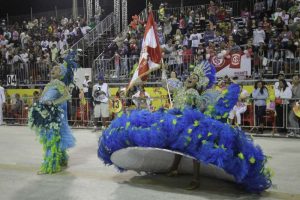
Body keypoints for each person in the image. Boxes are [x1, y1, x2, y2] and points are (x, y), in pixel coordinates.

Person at [98, 61, 272, 193]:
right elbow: (164, 84)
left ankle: (196, 177)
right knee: (176, 146)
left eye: (194, 78)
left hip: (191, 124)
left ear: (198, 83)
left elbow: (201, 108)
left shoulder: (196, 93)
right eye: (190, 76)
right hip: (175, 121)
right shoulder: (180, 89)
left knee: (193, 149)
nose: (190, 78)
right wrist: (162, 68)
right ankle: (174, 168)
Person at [28, 53, 77, 175]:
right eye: (54, 68)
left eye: (57, 68)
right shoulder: (50, 84)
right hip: (46, 114)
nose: (54, 69)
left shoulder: (59, 83)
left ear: (61, 74)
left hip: (52, 116)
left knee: (50, 140)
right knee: (54, 138)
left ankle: (50, 166)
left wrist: (53, 103)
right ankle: (61, 159)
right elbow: (44, 98)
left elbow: (67, 96)